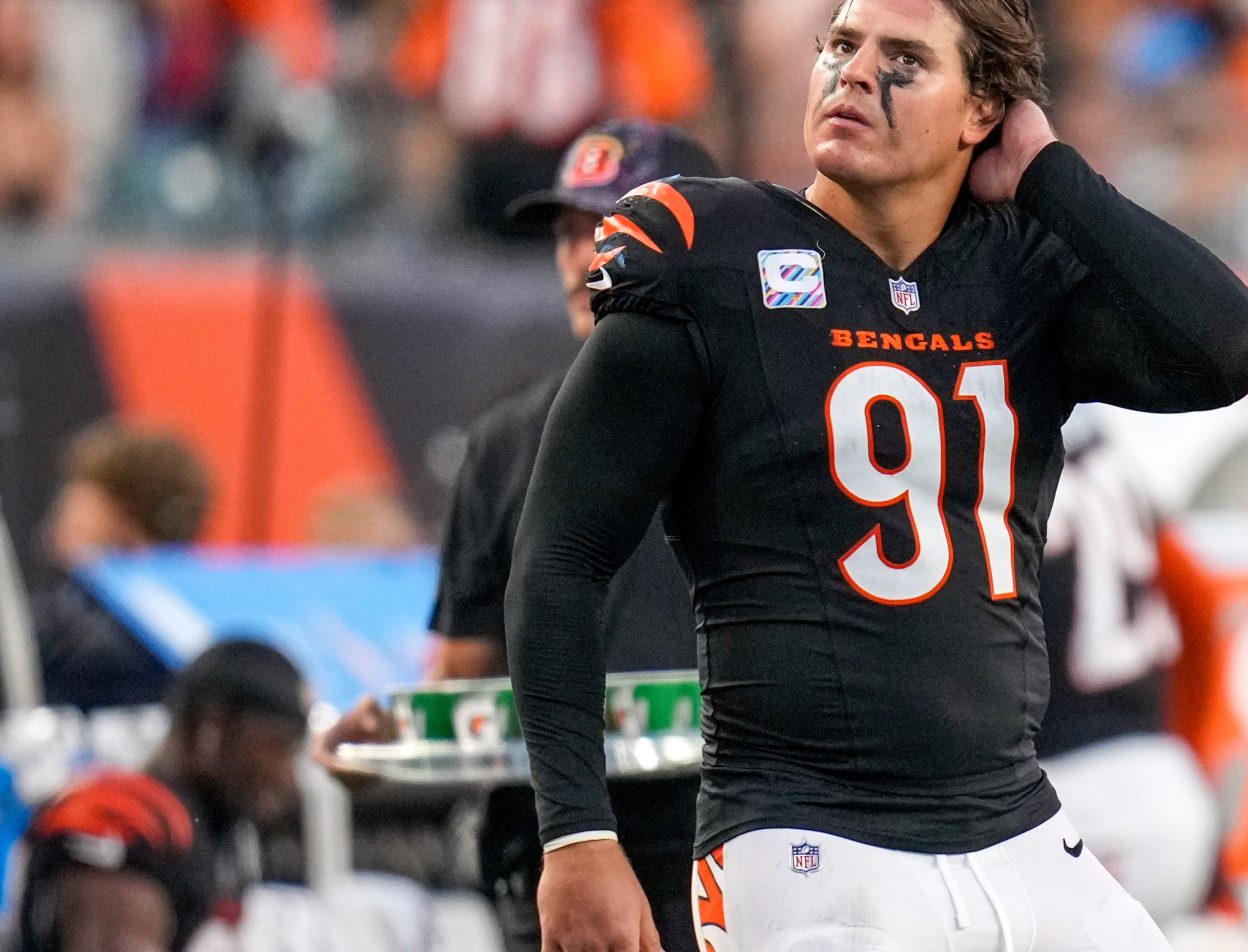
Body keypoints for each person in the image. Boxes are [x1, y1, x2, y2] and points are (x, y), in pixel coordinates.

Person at [505, 1, 1248, 949]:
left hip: (1016, 820)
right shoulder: (715, 250)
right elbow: (560, 555)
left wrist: (1048, 174)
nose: (854, 73)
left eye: (904, 59)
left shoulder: (1016, 275)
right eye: (840, 45)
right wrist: (576, 829)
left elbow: (1233, 347)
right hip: (805, 832)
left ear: (980, 110)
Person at [315, 121, 718, 952]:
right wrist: (387, 744)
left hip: (746, 845)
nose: (579, 256)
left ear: (702, 234)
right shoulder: (503, 443)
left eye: (607, 225)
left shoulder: (781, 416)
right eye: (567, 232)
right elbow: (464, 680)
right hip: (561, 852)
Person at [1036, 405, 1221, 924]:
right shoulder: (1114, 457)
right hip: (1168, 785)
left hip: (1073, 802)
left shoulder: (1011, 467)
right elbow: (1197, 600)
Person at [10, 639, 309, 952]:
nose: (288, 777)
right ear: (213, 728)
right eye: (280, 747)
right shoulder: (133, 814)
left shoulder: (210, 833)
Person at [31, 421, 213, 710]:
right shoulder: (197, 615)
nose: (64, 510)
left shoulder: (104, 634)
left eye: (83, 500)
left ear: (128, 516)